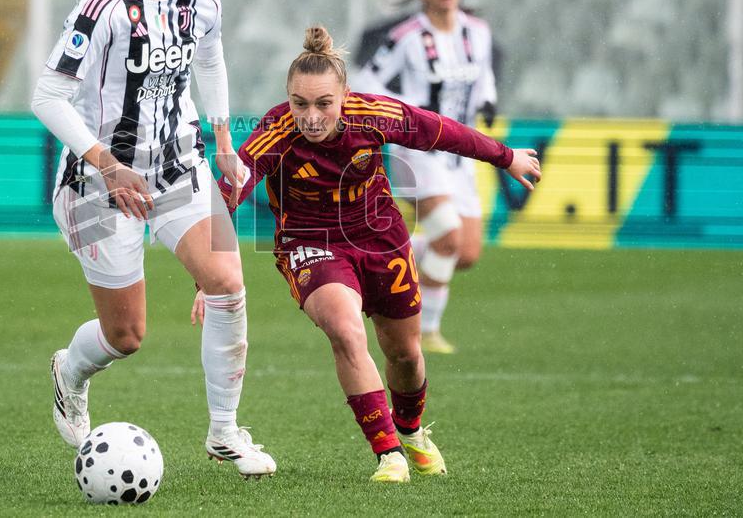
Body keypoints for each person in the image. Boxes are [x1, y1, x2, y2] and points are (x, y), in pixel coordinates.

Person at [196, 25, 539, 483]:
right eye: (300, 104)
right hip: (310, 242)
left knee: (405, 356)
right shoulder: (275, 130)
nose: (311, 116)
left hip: (381, 240)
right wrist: (207, 276)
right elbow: (230, 188)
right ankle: (388, 454)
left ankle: (412, 431)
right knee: (344, 328)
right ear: (288, 99)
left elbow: (441, 132)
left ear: (344, 96)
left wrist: (506, 156)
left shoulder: (373, 114)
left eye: (323, 104)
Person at [30, 0, 275, 478]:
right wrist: (109, 167)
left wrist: (222, 139)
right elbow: (46, 98)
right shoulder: (101, 9)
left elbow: (210, 58)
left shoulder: (204, 2)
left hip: (179, 167)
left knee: (227, 280)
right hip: (98, 184)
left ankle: (224, 433)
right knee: (127, 335)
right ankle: (71, 369)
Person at [355, 0, 498, 354]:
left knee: (464, 253)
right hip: (419, 151)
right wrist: (408, 111)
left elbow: (484, 73)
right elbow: (367, 80)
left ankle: (385, 257)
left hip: (460, 156)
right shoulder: (406, 36)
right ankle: (428, 332)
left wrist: (488, 99)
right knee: (448, 238)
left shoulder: (478, 33)